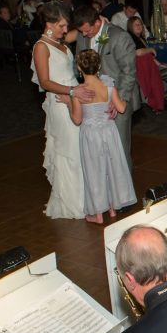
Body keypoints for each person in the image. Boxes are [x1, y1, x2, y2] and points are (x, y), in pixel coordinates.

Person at [31, 1, 94, 219]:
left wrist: (98, 19)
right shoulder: (41, 47)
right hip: (60, 101)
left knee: (80, 148)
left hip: (74, 98)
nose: (65, 30)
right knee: (69, 151)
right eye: (61, 26)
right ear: (49, 24)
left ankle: (86, 198)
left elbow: (82, 30)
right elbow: (45, 82)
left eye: (66, 25)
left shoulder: (60, 41)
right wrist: (72, 91)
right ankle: (73, 202)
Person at [69, 50, 136, 224]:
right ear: (99, 66)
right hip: (108, 131)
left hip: (91, 134)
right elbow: (121, 108)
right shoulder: (108, 86)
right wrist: (121, 100)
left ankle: (98, 214)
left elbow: (77, 120)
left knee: (94, 170)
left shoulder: (79, 92)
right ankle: (113, 208)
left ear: (78, 68)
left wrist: (69, 102)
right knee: (111, 166)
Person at [73, 5, 140, 170]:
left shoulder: (119, 36)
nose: (84, 35)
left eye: (87, 30)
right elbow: (78, 65)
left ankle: (124, 193)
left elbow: (128, 72)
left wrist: (119, 100)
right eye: (81, 32)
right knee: (98, 153)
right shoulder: (82, 36)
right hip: (93, 104)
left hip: (116, 99)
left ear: (97, 23)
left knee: (119, 151)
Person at [127, 15, 166, 112]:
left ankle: (157, 102)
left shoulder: (140, 38)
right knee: (161, 76)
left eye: (140, 24)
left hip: (148, 67)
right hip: (139, 68)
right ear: (130, 27)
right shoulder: (130, 37)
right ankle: (155, 102)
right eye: (136, 25)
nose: (139, 26)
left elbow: (150, 56)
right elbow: (138, 52)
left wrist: (159, 64)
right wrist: (151, 49)